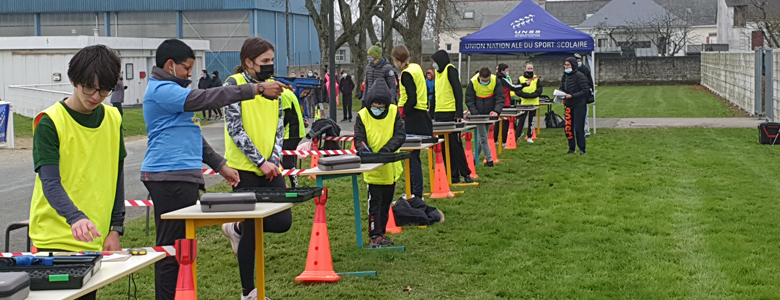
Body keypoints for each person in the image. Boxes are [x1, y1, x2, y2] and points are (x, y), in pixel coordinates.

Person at [141, 39, 287, 300]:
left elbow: (191, 134)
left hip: (183, 176)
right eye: (187, 68)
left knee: (184, 249)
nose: (190, 74)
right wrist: (255, 89)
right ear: (170, 65)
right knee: (173, 251)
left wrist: (219, 165)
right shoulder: (162, 90)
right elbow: (207, 97)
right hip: (167, 176)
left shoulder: (172, 91)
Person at [29, 45, 124, 300]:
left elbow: (117, 175)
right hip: (55, 240)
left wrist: (116, 227)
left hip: (92, 240)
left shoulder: (113, 118)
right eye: (89, 88)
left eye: (104, 89)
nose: (96, 96)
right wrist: (75, 217)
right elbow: (50, 183)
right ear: (73, 80)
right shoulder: (50, 121)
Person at [218, 38, 294, 300]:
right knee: (253, 224)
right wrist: (259, 162)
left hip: (270, 166)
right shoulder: (233, 85)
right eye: (264, 62)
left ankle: (235, 228)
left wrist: (273, 160)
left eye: (271, 60)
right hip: (244, 168)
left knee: (282, 221)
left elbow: (278, 127)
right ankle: (248, 291)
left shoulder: (275, 89)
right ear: (248, 63)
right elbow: (235, 128)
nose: (269, 66)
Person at [354, 79, 405, 248]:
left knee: (386, 204)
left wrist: (386, 151)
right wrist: (368, 154)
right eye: (375, 106)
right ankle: (374, 235)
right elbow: (359, 140)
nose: (378, 109)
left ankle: (381, 233)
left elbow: (399, 135)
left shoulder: (393, 112)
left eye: (381, 106)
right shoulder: (362, 115)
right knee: (375, 204)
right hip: (372, 168)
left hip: (390, 167)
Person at [393, 45, 433, 199]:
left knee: (412, 158)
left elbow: (411, 97)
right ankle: (414, 192)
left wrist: (403, 112)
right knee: (413, 157)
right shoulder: (416, 68)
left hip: (413, 116)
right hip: (422, 114)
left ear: (396, 59)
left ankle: (416, 194)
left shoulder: (406, 74)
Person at [429, 50, 473, 183]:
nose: (434, 65)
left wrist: (459, 113)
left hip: (450, 113)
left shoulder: (450, 70)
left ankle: (465, 173)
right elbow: (435, 94)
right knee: (442, 146)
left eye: (436, 62)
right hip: (439, 114)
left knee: (455, 145)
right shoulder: (437, 73)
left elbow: (458, 92)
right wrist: (431, 114)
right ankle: (452, 174)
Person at [465, 68, 505, 167]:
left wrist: (496, 111)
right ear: (479, 77)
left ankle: (474, 158)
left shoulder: (495, 81)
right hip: (478, 115)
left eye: (487, 80)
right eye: (483, 80)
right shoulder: (473, 82)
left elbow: (500, 97)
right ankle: (489, 159)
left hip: (490, 114)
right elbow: (469, 99)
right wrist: (475, 113)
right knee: (483, 137)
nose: (485, 82)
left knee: (482, 137)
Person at [560, 57, 590, 155]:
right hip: (569, 105)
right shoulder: (565, 76)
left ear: (573, 65)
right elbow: (562, 87)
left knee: (578, 128)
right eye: (565, 65)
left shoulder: (580, 76)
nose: (566, 67)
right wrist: (560, 94)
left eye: (568, 65)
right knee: (568, 128)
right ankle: (571, 148)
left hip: (579, 105)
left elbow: (585, 91)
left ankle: (582, 148)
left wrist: (572, 96)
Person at [282, 87, 307, 188]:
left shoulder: (283, 94)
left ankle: (293, 185)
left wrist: (278, 129)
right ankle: (286, 183)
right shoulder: (288, 92)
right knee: (288, 159)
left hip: (291, 132)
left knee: (287, 161)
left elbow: (287, 115)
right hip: (296, 131)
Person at [364, 43, 397, 107]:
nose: (368, 57)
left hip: (382, 101)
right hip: (370, 100)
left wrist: (390, 101)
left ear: (375, 56)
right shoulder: (368, 67)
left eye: (370, 55)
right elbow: (367, 85)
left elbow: (392, 86)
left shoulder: (388, 68)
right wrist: (364, 99)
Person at [517, 63, 543, 143]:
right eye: (528, 68)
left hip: (534, 103)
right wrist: (526, 95)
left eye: (531, 68)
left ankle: (530, 136)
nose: (530, 70)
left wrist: (533, 95)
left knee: (532, 121)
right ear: (525, 69)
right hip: (524, 103)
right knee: (521, 120)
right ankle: (517, 135)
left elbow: (539, 89)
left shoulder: (536, 78)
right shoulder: (521, 79)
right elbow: (517, 90)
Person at [574, 53, 594, 138]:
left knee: (584, 115)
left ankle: (586, 131)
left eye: (579, 60)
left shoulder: (584, 70)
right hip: (575, 95)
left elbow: (589, 82)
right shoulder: (574, 71)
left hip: (583, 96)